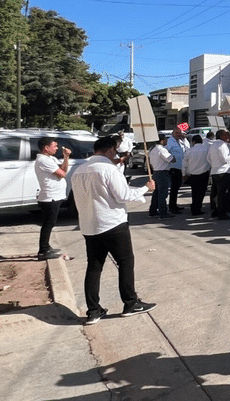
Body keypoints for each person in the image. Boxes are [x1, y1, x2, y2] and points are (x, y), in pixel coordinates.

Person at [70, 136, 157, 325]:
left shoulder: (79, 170)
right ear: (110, 150)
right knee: (125, 262)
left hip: (89, 225)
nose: (116, 154)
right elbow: (123, 195)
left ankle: (93, 310)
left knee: (94, 266)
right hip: (112, 224)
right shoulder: (109, 169)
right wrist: (145, 188)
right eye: (116, 150)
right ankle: (130, 303)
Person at [33, 137, 71, 260]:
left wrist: (66, 157)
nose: (57, 148)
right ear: (46, 148)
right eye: (54, 146)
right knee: (49, 223)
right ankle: (43, 250)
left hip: (56, 195)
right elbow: (62, 174)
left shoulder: (51, 159)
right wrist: (64, 160)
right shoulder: (43, 160)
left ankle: (46, 246)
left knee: (50, 223)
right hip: (50, 197)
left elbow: (64, 169)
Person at [207, 129, 230, 220]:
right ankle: (221, 212)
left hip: (215, 171)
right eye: (225, 135)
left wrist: (214, 165)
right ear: (222, 136)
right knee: (222, 193)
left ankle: (215, 210)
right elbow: (225, 158)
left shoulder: (213, 145)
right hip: (222, 172)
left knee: (215, 193)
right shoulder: (222, 145)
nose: (227, 136)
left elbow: (208, 158)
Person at [182, 134, 212, 216]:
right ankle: (197, 208)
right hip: (204, 174)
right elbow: (210, 160)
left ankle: (194, 206)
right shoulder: (206, 149)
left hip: (193, 175)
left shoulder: (189, 151)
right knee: (201, 192)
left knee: (194, 192)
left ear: (193, 142)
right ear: (201, 141)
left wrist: (184, 174)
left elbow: (184, 163)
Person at [147, 134, 174, 219]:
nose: (166, 141)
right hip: (162, 173)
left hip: (156, 172)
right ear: (162, 140)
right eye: (165, 140)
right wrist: (173, 156)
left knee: (156, 193)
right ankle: (163, 212)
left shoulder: (152, 149)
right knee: (163, 194)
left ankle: (153, 210)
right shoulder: (161, 150)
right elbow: (171, 159)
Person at [167, 127, 189, 213]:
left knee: (177, 187)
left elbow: (187, 148)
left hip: (181, 167)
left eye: (180, 133)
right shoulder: (170, 141)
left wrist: (184, 139)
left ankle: (174, 205)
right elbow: (167, 152)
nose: (179, 135)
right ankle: (172, 207)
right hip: (174, 167)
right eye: (177, 133)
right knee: (174, 188)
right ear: (173, 133)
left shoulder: (181, 141)